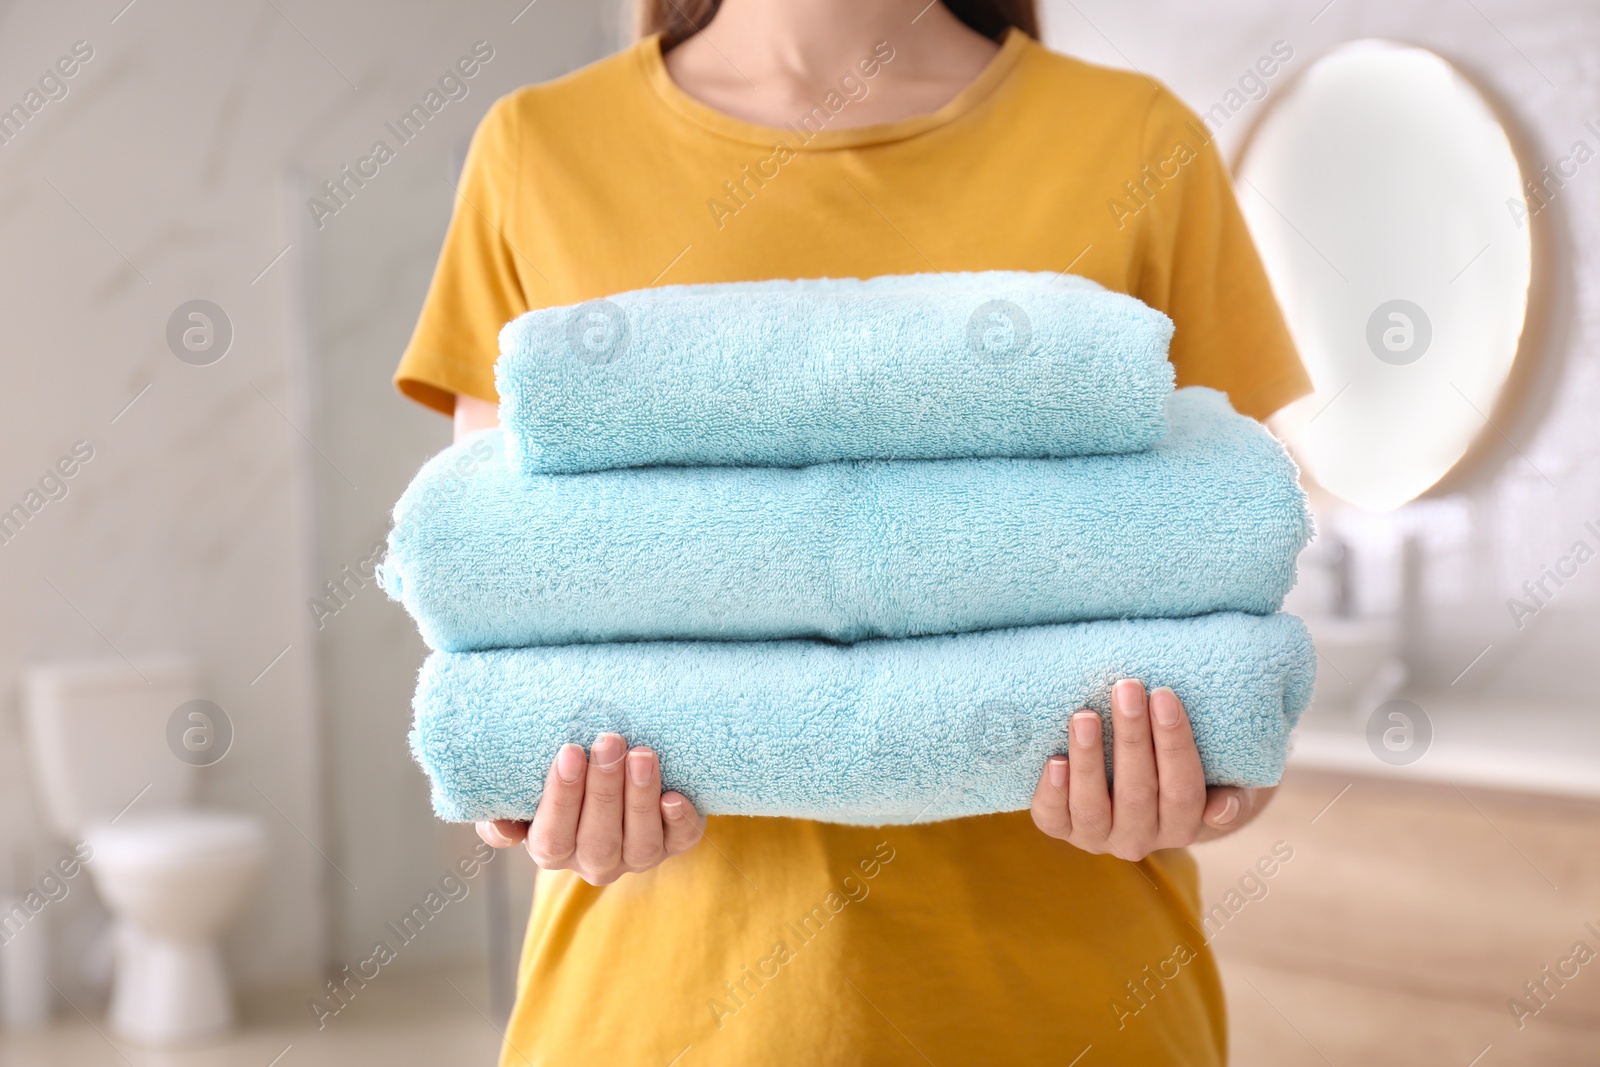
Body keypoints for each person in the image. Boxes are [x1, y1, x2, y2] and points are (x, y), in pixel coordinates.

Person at [394, 0, 1311, 1061]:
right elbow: (501, 606)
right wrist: (526, 796)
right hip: (653, 1024)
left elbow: (1223, 575)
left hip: (1072, 1016)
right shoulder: (537, 150)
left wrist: (1204, 789)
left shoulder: (1140, 141)